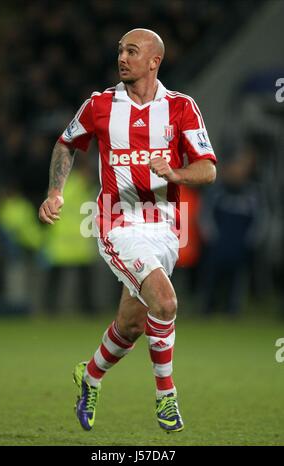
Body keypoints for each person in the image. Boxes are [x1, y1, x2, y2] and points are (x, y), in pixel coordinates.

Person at [39, 28, 217, 433]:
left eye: (132, 52)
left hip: (165, 228)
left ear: (154, 61)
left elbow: (208, 168)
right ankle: (166, 398)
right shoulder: (100, 105)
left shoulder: (181, 107)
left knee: (133, 324)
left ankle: (90, 377)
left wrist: (175, 171)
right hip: (116, 222)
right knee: (166, 303)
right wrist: (56, 191)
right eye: (120, 50)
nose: (122, 57)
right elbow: (66, 143)